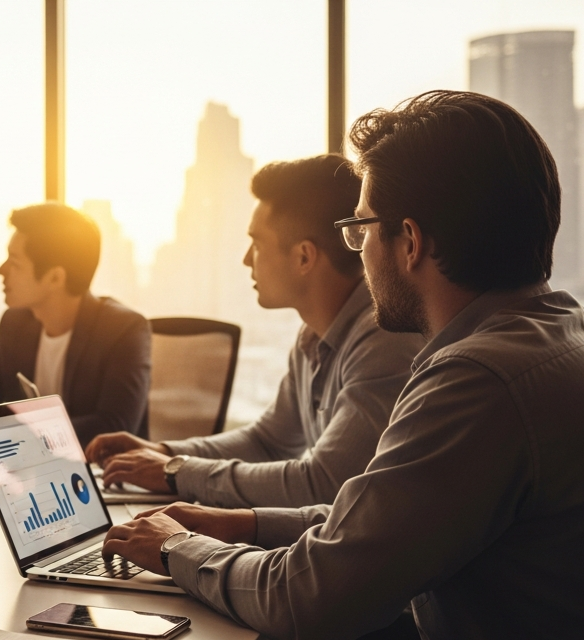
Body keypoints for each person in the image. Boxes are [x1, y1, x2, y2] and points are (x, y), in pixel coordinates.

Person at [102, 91, 584, 640]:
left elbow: (312, 599)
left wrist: (172, 548)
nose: (357, 255)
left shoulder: (481, 378)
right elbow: (383, 516)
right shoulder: (561, 334)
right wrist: (241, 527)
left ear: (411, 241)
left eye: (360, 231)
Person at [85, 154, 423, 510]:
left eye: (257, 245)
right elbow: (268, 441)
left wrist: (175, 471)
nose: (247, 259)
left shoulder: (384, 339)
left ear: (304, 258)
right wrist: (163, 452)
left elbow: (324, 483)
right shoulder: (313, 336)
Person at [0, 203, 150, 445]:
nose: (1, 270)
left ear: (55, 277)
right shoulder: (15, 323)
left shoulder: (123, 330)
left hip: (104, 476)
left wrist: (22, 435)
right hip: (30, 473)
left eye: (15, 261)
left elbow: (114, 426)